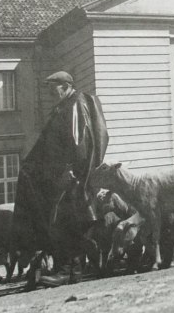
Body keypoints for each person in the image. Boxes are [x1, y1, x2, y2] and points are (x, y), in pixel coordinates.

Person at [13, 71, 109, 288]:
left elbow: (80, 143)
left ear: (65, 86)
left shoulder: (75, 105)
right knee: (61, 222)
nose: (48, 92)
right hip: (60, 177)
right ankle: (68, 270)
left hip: (71, 178)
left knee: (65, 222)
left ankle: (68, 270)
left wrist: (71, 172)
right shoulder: (63, 107)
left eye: (52, 87)